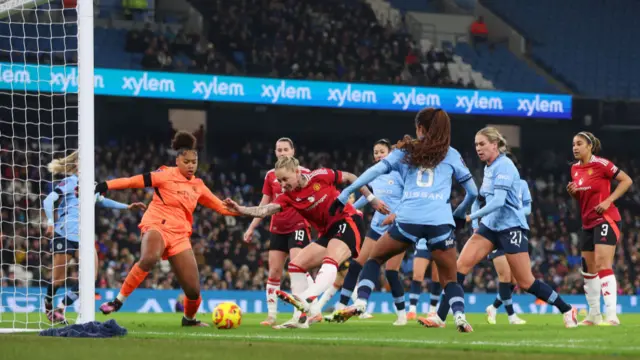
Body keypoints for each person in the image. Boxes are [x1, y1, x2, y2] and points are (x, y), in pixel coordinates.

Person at [328, 108, 478, 333]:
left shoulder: (405, 151)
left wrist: (344, 193)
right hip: (440, 222)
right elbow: (473, 193)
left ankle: (360, 302)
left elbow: (374, 171)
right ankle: (459, 317)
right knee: (450, 278)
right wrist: (458, 215)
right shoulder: (452, 154)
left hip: (409, 220)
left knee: (374, 259)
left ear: (419, 128)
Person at [431, 127, 578, 329]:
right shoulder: (488, 168)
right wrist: (476, 224)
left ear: (495, 144)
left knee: (526, 283)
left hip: (512, 228)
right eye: (476, 145)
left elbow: (499, 201)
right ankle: (439, 318)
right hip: (490, 227)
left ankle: (567, 309)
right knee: (459, 268)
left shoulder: (505, 165)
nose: (478, 148)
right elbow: (480, 198)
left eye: (482, 144)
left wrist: (470, 217)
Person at [224, 156, 389, 329]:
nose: (282, 185)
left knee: (330, 259)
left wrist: (372, 199)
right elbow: (265, 210)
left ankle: (306, 298)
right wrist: (241, 209)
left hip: (348, 221)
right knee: (296, 265)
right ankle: (300, 320)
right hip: (327, 232)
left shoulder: (320, 176)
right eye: (279, 181)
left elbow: (351, 177)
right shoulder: (288, 197)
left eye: (285, 179)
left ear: (297, 172)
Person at [96, 131, 239, 327]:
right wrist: (104, 185)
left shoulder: (198, 186)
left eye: (194, 162)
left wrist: (250, 211)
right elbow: (132, 181)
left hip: (180, 235)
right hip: (156, 224)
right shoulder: (163, 175)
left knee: (193, 291)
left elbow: (222, 207)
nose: (191, 165)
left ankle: (189, 320)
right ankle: (117, 301)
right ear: (177, 160)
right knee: (149, 257)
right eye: (187, 161)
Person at [42, 150, 147, 324]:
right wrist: (50, 223)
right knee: (58, 280)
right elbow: (48, 201)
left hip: (84, 237)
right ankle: (48, 304)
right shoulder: (70, 181)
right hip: (64, 233)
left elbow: (102, 201)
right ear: (76, 165)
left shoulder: (92, 185)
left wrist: (128, 207)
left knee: (90, 278)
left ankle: (60, 306)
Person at [327, 139, 408, 326]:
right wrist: (351, 210)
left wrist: (396, 214)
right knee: (356, 265)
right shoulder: (375, 175)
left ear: (391, 153)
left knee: (391, 272)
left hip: (398, 227)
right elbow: (368, 197)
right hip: (377, 227)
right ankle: (341, 307)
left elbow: (409, 198)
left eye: (382, 151)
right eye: (376, 152)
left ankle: (402, 315)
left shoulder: (401, 172)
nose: (378, 155)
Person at [243, 138, 313, 327]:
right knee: (274, 271)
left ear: (293, 151)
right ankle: (272, 316)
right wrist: (251, 227)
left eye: (285, 149)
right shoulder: (270, 175)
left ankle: (301, 315)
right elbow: (264, 204)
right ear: (275, 153)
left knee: (296, 268)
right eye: (278, 150)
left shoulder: (305, 174)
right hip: (278, 227)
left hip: (298, 225)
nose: (282, 152)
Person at [567, 131, 632, 326]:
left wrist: (608, 200)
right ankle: (594, 314)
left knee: (603, 264)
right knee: (588, 270)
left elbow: (627, 180)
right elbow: (583, 198)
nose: (575, 148)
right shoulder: (574, 170)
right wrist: (574, 194)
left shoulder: (602, 164)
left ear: (589, 146)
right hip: (587, 222)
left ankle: (611, 315)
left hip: (606, 218)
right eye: (573, 144)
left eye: (579, 144)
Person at [482, 153, 528, 325]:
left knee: (515, 280)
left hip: (513, 230)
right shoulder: (493, 181)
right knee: (505, 276)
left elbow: (528, 207)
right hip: (495, 230)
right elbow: (478, 200)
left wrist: (517, 213)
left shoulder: (522, 185)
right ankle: (511, 316)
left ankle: (493, 307)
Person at [407, 238, 441, 320]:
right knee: (417, 276)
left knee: (436, 278)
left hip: (440, 244)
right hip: (423, 245)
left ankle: (432, 311)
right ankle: (412, 310)